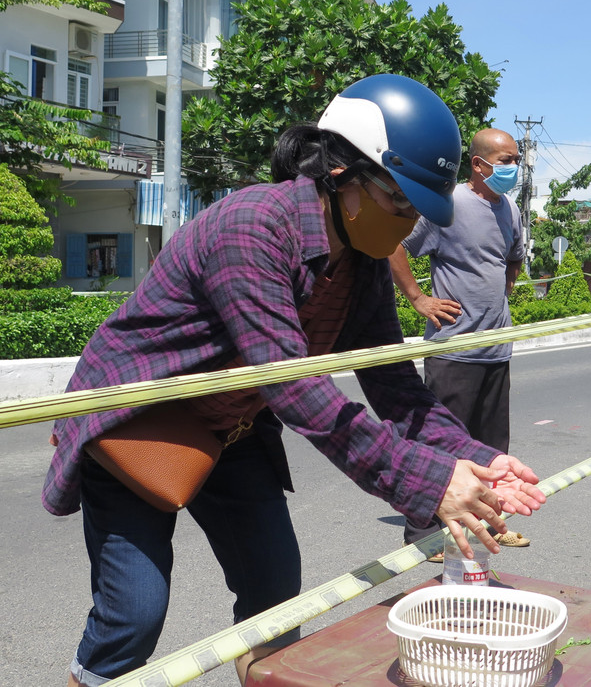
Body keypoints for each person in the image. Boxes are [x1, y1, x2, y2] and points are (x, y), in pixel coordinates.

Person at [44, 75, 546, 687]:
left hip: (234, 426)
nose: (409, 223)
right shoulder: (252, 227)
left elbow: (394, 385)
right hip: (138, 421)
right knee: (134, 616)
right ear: (343, 175)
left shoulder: (360, 259)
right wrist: (427, 480)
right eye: (401, 203)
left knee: (275, 595)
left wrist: (478, 457)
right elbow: (296, 389)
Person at [390, 128, 530, 561]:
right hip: (453, 350)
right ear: (478, 163)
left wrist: (501, 296)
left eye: (516, 160)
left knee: (491, 448)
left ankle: (489, 523)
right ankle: (422, 534)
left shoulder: (509, 208)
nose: (513, 168)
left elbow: (514, 257)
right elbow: (394, 245)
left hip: (496, 348)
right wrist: (418, 298)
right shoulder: (447, 206)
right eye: (505, 160)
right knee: (439, 444)